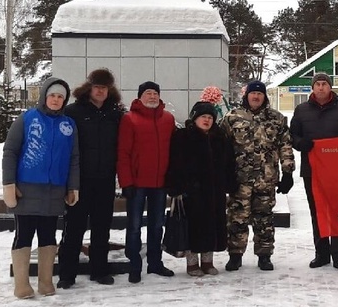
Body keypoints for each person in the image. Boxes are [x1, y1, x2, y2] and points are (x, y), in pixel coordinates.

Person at [2, 77, 80, 299]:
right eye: (52, 95)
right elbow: (10, 151)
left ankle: (46, 282)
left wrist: (73, 186)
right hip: (26, 189)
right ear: (45, 96)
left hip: (54, 190)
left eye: (60, 97)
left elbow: (74, 158)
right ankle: (22, 285)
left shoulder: (68, 125)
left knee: (48, 236)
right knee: (24, 234)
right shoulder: (27, 118)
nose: (56, 100)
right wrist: (9, 183)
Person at [57, 68, 124, 289]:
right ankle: (67, 274)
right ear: (89, 88)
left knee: (101, 226)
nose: (100, 91)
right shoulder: (73, 112)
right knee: (74, 226)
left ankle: (99, 270)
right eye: (97, 87)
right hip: (79, 181)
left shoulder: (115, 113)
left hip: (104, 179)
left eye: (104, 88)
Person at [222, 80, 295, 272]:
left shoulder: (276, 119)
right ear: (247, 96)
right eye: (253, 94)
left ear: (264, 97)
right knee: (237, 218)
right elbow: (222, 148)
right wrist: (224, 174)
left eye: (260, 94)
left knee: (264, 219)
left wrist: (288, 172)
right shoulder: (232, 117)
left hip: (266, 179)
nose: (256, 97)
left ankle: (264, 255)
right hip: (240, 180)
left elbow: (285, 146)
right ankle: (235, 255)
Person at [290, 73, 338, 272]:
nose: (320, 87)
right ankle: (322, 253)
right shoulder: (301, 110)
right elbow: (293, 135)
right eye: (317, 84)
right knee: (317, 211)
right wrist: (301, 143)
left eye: (324, 84)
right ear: (313, 87)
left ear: (330, 87)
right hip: (312, 170)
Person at [165, 101, 236, 277]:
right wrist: (176, 186)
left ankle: (207, 261)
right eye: (203, 117)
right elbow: (175, 163)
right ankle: (192, 263)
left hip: (214, 191)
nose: (207, 120)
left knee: (212, 225)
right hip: (192, 191)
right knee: (193, 227)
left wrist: (230, 183)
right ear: (195, 118)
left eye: (210, 117)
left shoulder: (219, 137)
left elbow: (229, 163)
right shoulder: (183, 136)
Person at [117, 81, 177, 283]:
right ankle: (134, 264)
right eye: (148, 93)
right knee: (134, 226)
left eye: (155, 93)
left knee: (157, 225)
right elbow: (123, 153)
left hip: (160, 183)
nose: (152, 97)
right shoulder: (129, 119)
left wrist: (172, 177)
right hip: (137, 183)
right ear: (140, 96)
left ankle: (155, 263)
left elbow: (174, 152)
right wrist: (126, 181)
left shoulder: (168, 119)